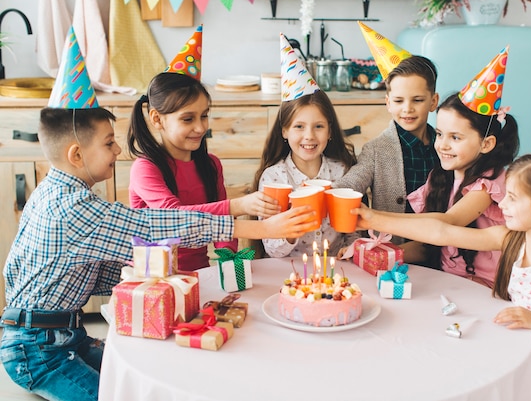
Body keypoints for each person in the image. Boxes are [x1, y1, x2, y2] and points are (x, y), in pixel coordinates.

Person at [0, 28, 314, 401]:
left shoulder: (53, 191)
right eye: (108, 143)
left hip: (65, 334)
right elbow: (157, 223)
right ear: (76, 155)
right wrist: (255, 222)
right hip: (38, 353)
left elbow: (34, 268)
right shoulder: (73, 208)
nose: (118, 150)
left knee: (149, 374)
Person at [353, 89, 531, 400]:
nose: (501, 203)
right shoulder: (508, 239)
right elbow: (441, 232)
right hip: (523, 356)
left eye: (513, 198)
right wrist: (372, 219)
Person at [128, 27, 280, 271]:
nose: (200, 127)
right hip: (155, 279)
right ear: (157, 119)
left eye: (204, 116)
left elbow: (223, 227)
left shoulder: (210, 164)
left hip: (201, 273)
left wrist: (228, 261)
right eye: (188, 119)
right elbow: (174, 216)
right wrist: (238, 205)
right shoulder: (145, 168)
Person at [333, 23, 440, 246]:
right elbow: (354, 180)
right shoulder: (376, 149)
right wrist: (330, 193)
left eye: (417, 100)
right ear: (388, 103)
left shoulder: (445, 144)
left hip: (440, 247)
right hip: (394, 248)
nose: (407, 109)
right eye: (399, 101)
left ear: (433, 101)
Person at [252, 34, 358, 258]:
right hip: (290, 273)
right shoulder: (274, 179)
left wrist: (353, 247)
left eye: (318, 126)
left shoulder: (342, 171)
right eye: (299, 127)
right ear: (284, 131)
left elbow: (355, 231)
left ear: (329, 131)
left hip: (336, 273)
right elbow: (272, 249)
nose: (309, 136)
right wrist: (291, 229)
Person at [403, 87, 519, 287]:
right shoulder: (439, 178)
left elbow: (447, 224)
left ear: (486, 144)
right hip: (449, 283)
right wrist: (383, 252)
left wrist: (372, 219)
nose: (442, 145)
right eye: (439, 134)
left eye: (455, 137)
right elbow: (428, 244)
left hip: (487, 289)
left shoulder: (489, 185)